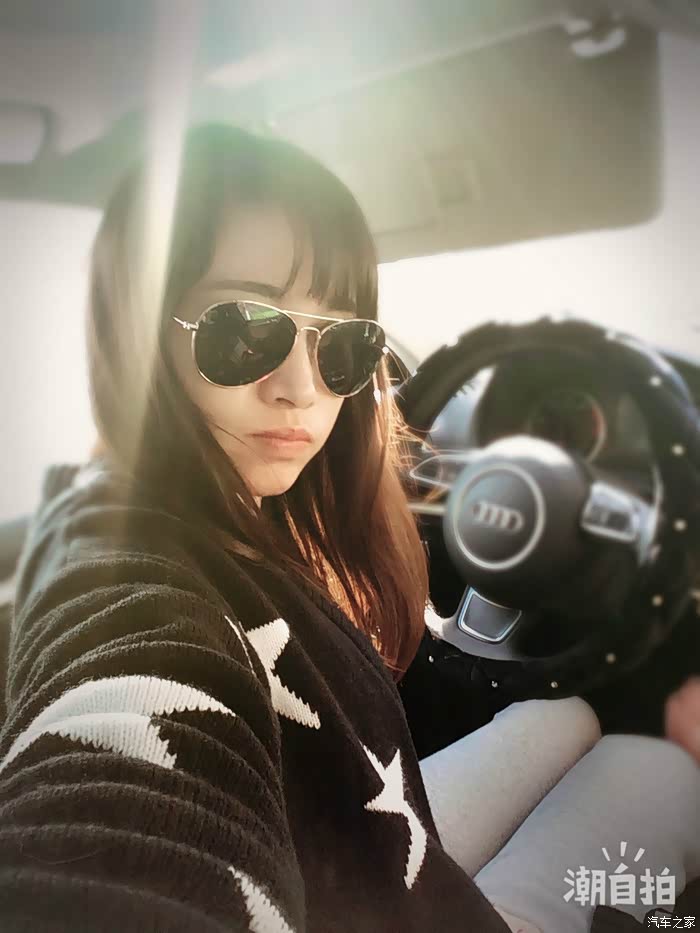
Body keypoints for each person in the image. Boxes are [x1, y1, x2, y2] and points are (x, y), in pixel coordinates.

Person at [0, 124, 698, 933]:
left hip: (347, 842)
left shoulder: (125, 499)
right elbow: (120, 786)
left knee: (568, 713)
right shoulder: (127, 592)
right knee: (662, 770)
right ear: (136, 328)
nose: (301, 387)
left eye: (341, 343)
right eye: (245, 328)